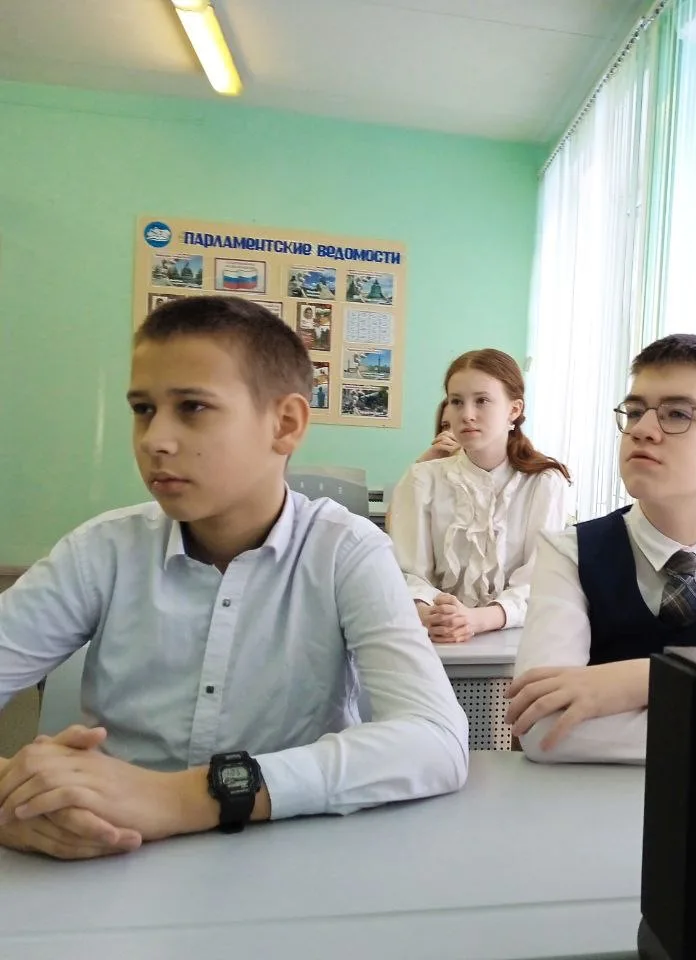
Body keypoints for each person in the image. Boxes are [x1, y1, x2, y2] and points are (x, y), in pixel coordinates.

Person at [0, 296, 467, 860]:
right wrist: (15, 800)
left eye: (193, 407)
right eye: (143, 409)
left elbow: (435, 740)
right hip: (113, 854)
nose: (153, 439)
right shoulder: (102, 550)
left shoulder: (345, 551)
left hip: (288, 855)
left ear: (285, 424)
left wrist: (180, 798)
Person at [504, 334, 696, 763]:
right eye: (636, 411)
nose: (642, 429)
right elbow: (544, 728)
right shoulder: (570, 553)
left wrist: (646, 680)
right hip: (589, 804)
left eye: (677, 414)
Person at [389, 350, 571, 644]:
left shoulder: (545, 483)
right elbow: (408, 572)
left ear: (514, 410)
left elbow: (540, 581)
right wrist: (428, 613)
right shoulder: (422, 478)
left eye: (482, 400)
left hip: (516, 640)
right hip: (433, 637)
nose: (467, 414)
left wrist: (477, 619)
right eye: (456, 401)